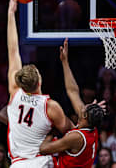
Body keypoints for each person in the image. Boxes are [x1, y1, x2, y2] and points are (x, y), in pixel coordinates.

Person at [0, 0, 74, 167]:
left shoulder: (14, 92)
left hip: (17, 164)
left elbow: (13, 50)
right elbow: (71, 131)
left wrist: (11, 13)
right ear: (39, 82)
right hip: (40, 162)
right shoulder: (50, 106)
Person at [39, 38, 105, 168]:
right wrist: (65, 62)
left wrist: (52, 133)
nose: (82, 106)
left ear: (85, 116)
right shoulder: (91, 127)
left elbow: (43, 149)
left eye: (85, 107)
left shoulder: (76, 137)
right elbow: (73, 91)